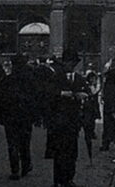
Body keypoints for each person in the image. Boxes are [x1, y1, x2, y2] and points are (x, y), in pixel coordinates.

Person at [45, 49, 88, 187]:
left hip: (73, 121)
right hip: (58, 121)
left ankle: (69, 178)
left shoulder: (80, 78)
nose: (71, 65)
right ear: (64, 62)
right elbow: (48, 93)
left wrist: (84, 95)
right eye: (69, 63)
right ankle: (57, 180)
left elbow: (88, 93)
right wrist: (63, 93)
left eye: (74, 63)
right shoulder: (56, 77)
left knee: (72, 152)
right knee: (59, 152)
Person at [0, 53, 37, 180]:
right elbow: (35, 99)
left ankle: (15, 170)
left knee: (12, 143)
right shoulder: (30, 81)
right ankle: (25, 165)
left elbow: (0, 100)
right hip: (25, 117)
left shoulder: (6, 80)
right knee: (25, 142)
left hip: (10, 117)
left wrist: (0, 118)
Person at [81, 69, 100, 161]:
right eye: (93, 78)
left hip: (91, 109)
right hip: (88, 110)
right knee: (89, 124)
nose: (94, 80)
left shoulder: (90, 85)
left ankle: (90, 132)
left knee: (91, 123)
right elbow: (94, 92)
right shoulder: (89, 86)